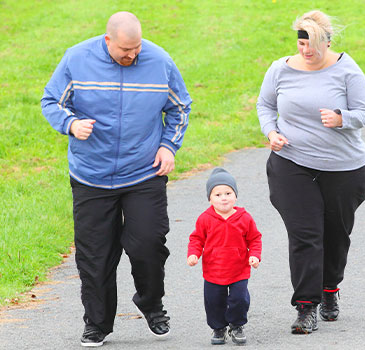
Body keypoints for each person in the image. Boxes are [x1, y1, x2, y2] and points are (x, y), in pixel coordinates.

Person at [41, 11, 192, 347]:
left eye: (136, 48)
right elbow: (51, 101)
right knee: (95, 256)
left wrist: (168, 146)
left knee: (149, 244)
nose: (132, 55)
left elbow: (180, 107)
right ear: (107, 40)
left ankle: (151, 304)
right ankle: (98, 323)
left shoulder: (159, 61)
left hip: (143, 172)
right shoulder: (77, 59)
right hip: (91, 176)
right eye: (125, 49)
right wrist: (70, 124)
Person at [256, 10, 365, 335]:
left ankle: (330, 289)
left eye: (313, 44)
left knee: (335, 236)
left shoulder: (347, 71)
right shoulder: (281, 69)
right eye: (302, 43)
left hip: (343, 169)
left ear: (328, 42)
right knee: (305, 236)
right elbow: (265, 105)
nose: (306, 51)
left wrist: (341, 118)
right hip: (292, 164)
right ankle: (306, 307)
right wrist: (271, 132)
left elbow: (364, 112)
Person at [187, 168, 262, 345]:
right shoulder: (205, 218)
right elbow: (196, 238)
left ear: (235, 195)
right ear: (210, 198)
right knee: (213, 301)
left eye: (228, 193)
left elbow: (255, 239)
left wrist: (255, 256)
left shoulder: (244, 218)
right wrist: (193, 254)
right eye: (218, 194)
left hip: (239, 269)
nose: (224, 198)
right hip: (214, 270)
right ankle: (218, 328)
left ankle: (237, 325)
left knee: (239, 299)